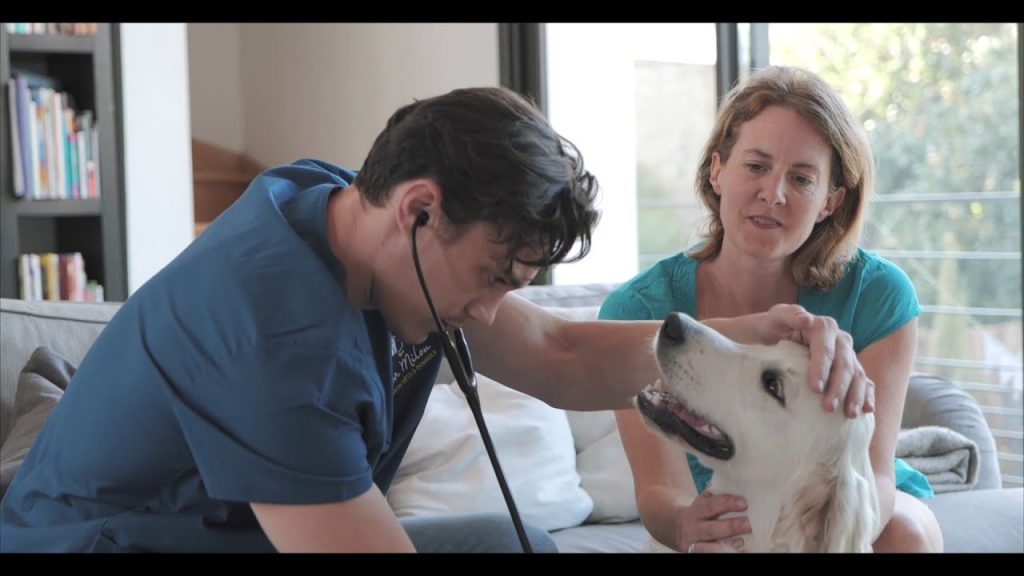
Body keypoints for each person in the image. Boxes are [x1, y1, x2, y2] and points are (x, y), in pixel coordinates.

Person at [0, 86, 869, 553]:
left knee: (506, 540)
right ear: (418, 209)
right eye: (494, 276)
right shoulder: (275, 339)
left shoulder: (338, 208)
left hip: (223, 526)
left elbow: (558, 352)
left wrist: (743, 339)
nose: (491, 310)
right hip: (106, 543)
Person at [602, 66, 943, 553]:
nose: (773, 194)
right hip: (723, 505)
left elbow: (874, 474)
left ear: (830, 201)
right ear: (717, 170)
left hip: (841, 503)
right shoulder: (638, 310)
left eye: (801, 179)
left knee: (906, 534)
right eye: (756, 166)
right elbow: (662, 490)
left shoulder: (879, 294)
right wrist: (689, 525)